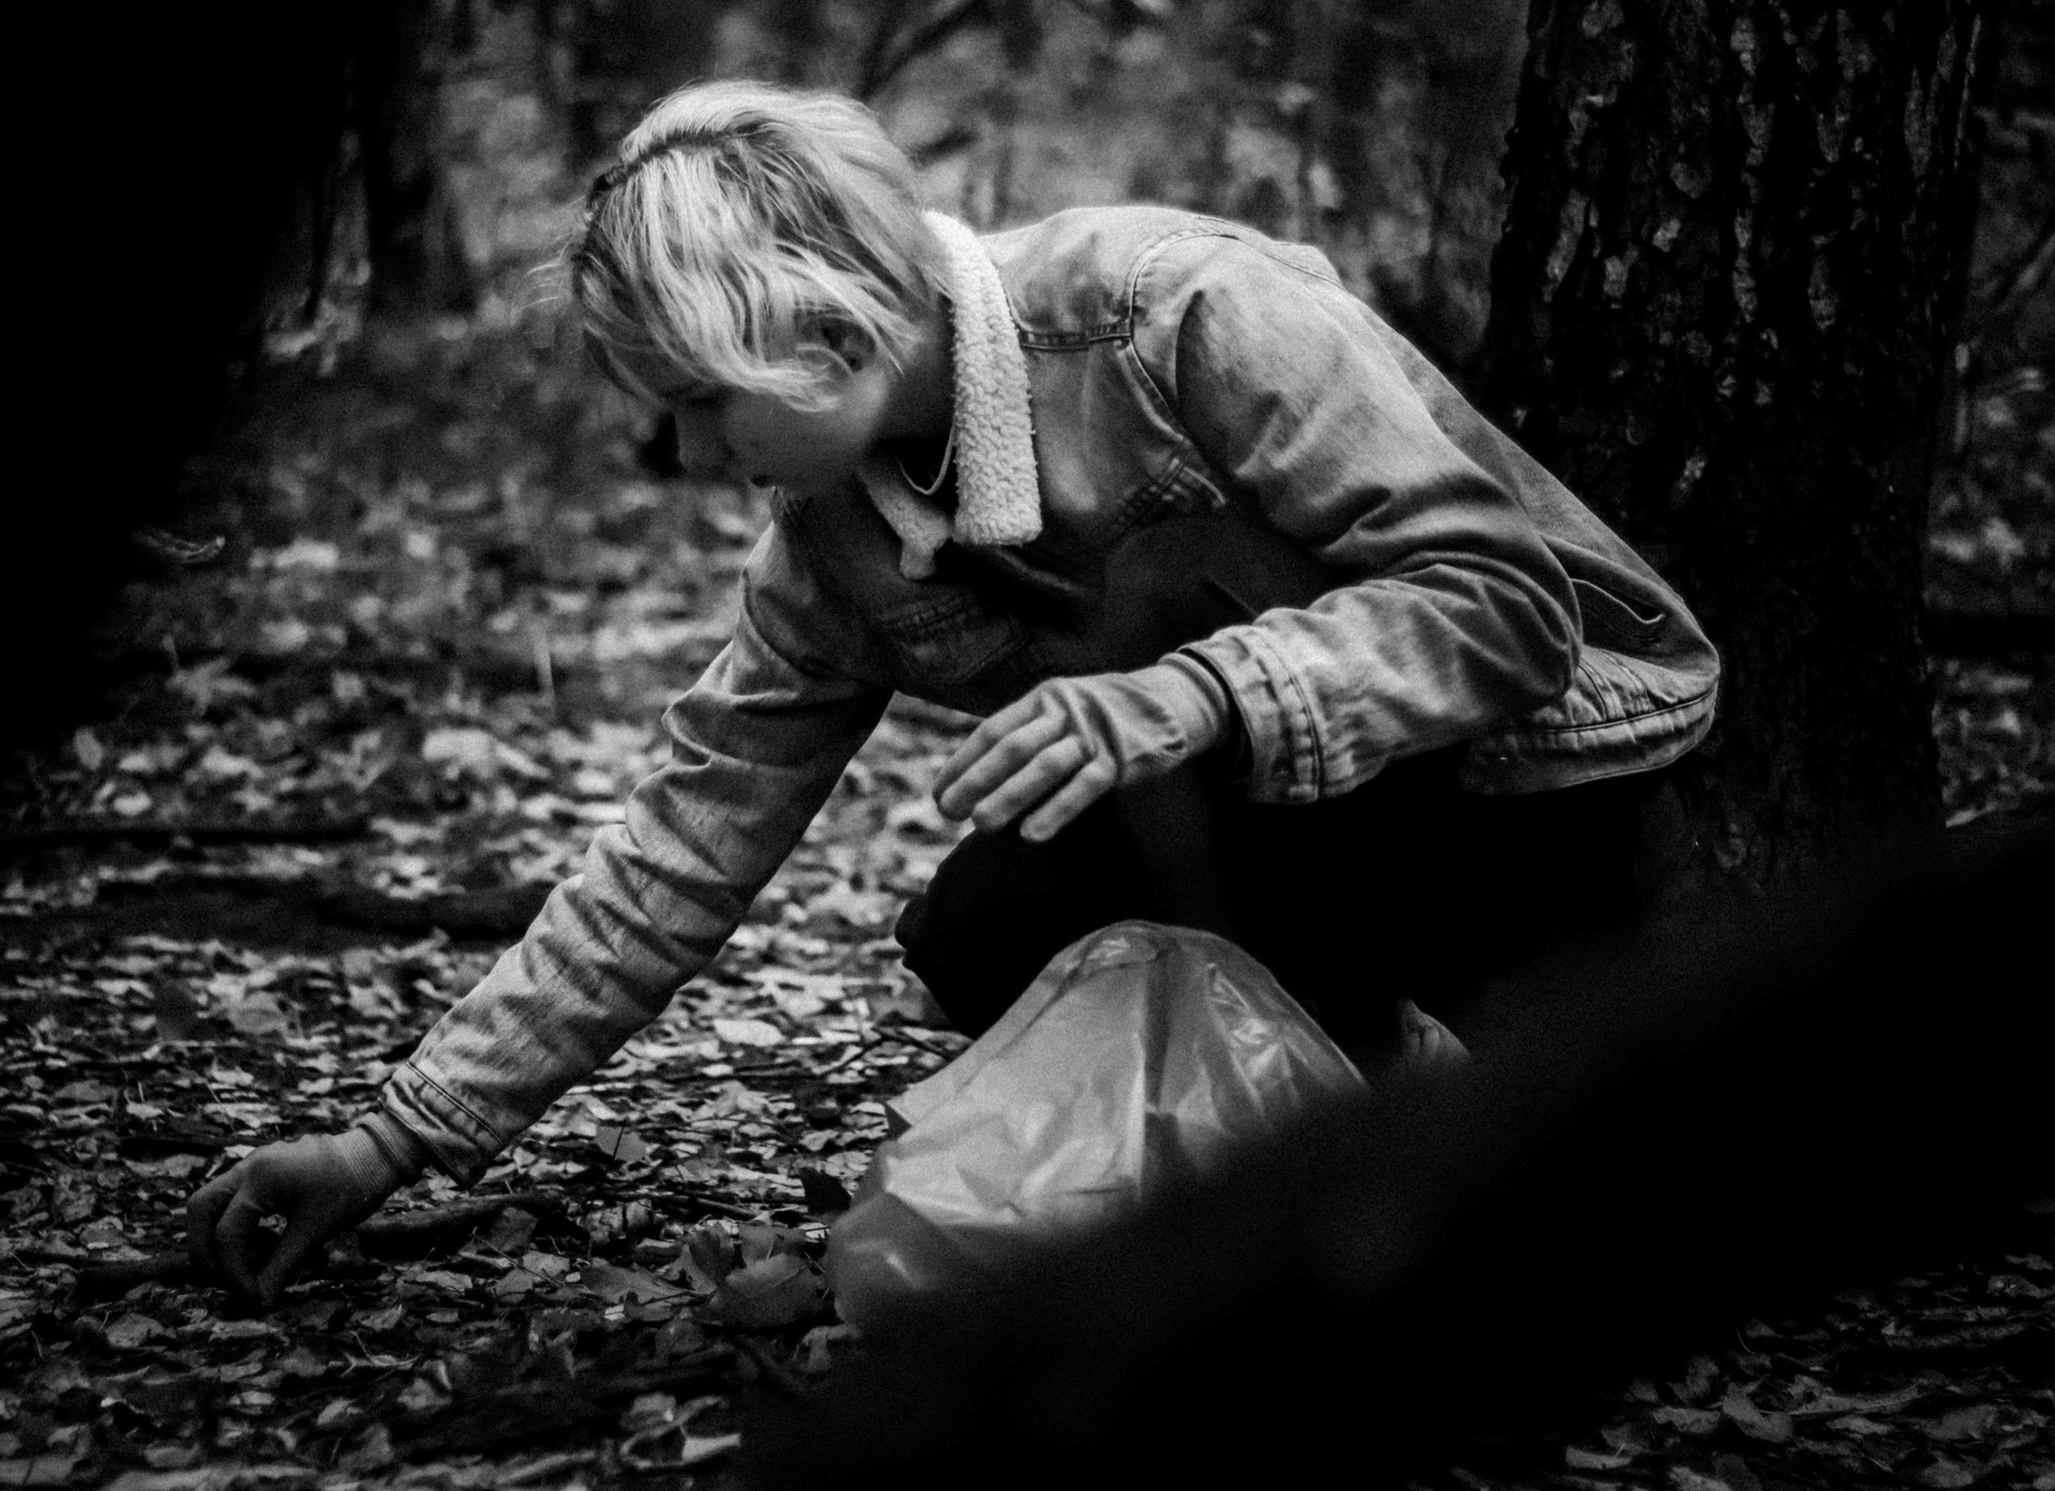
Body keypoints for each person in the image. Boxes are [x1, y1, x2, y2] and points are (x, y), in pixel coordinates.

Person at [184, 81, 1720, 1305]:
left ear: (822, 325)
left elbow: (1503, 607)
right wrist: (391, 1141)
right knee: (988, 929)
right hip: (1280, 830)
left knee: (1606, 1231)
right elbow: (676, 844)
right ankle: (1342, 1106)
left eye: (699, 407)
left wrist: (1192, 698)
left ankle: (1447, 1081)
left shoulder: (1179, 309)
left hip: (1532, 793)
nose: (689, 461)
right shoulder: (828, 545)